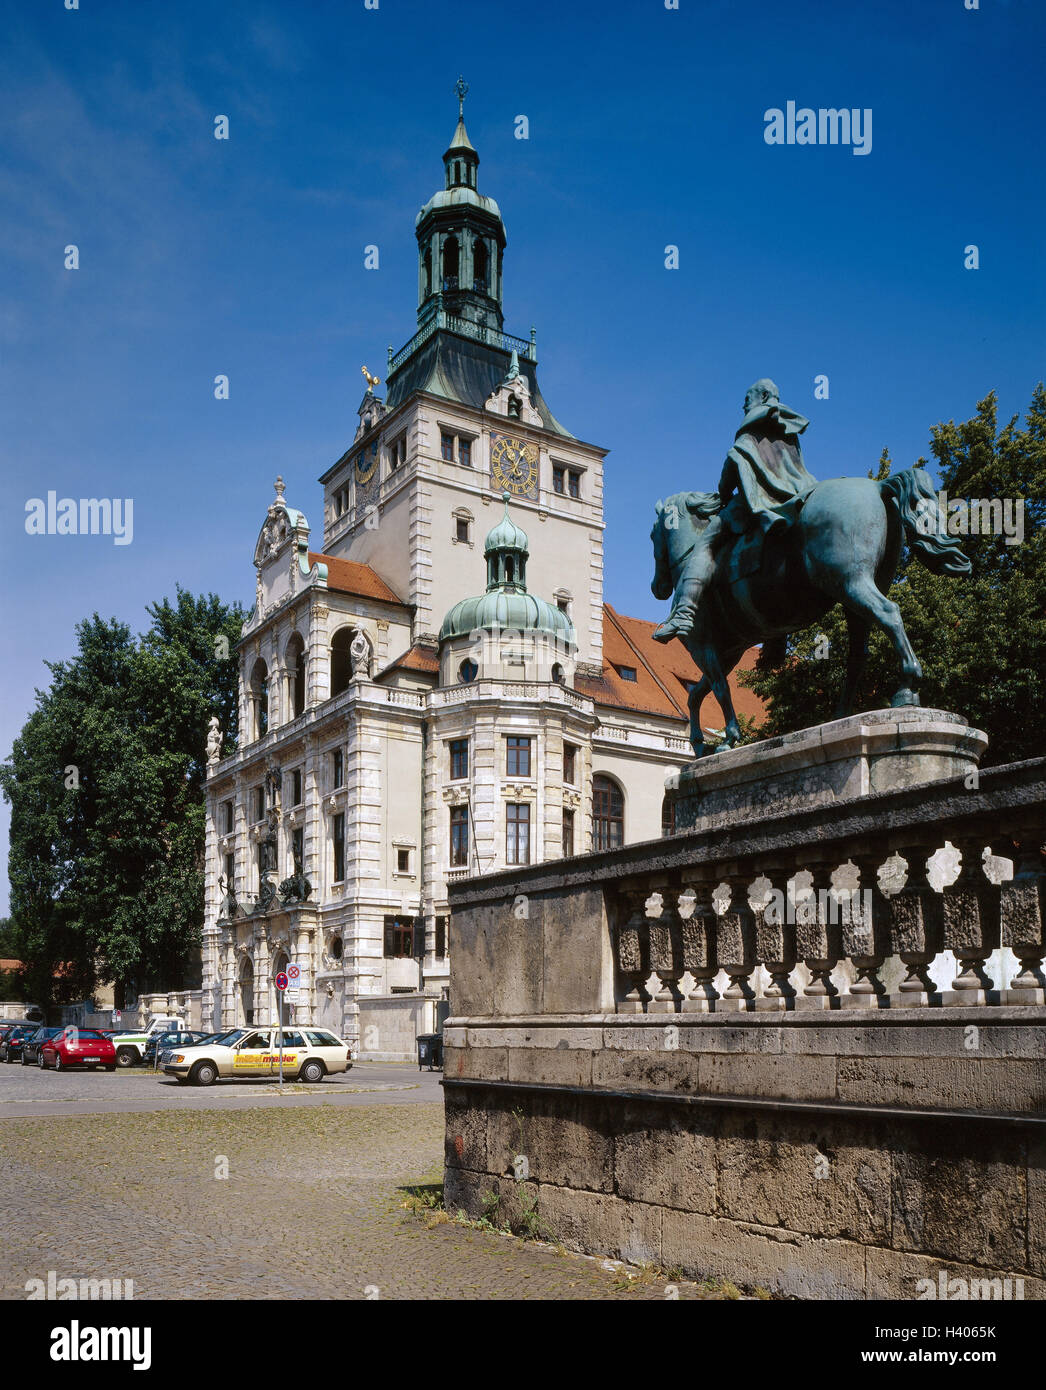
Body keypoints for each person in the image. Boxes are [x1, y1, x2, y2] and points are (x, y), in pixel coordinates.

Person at [653, 379, 816, 643]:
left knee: (705, 544)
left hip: (759, 501)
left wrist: (725, 492)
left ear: (763, 395)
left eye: (747, 396)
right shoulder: (789, 424)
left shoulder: (753, 423)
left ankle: (684, 612)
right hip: (797, 496)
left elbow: (734, 463)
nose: (743, 403)